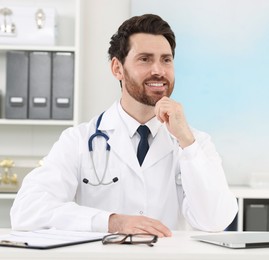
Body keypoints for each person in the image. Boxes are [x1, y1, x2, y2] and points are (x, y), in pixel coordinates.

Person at [10, 14, 238, 237]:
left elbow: (215, 221)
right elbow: (26, 210)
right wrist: (111, 222)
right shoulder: (78, 140)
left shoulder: (195, 143)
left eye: (166, 60)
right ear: (117, 68)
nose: (158, 70)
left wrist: (188, 143)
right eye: (145, 59)